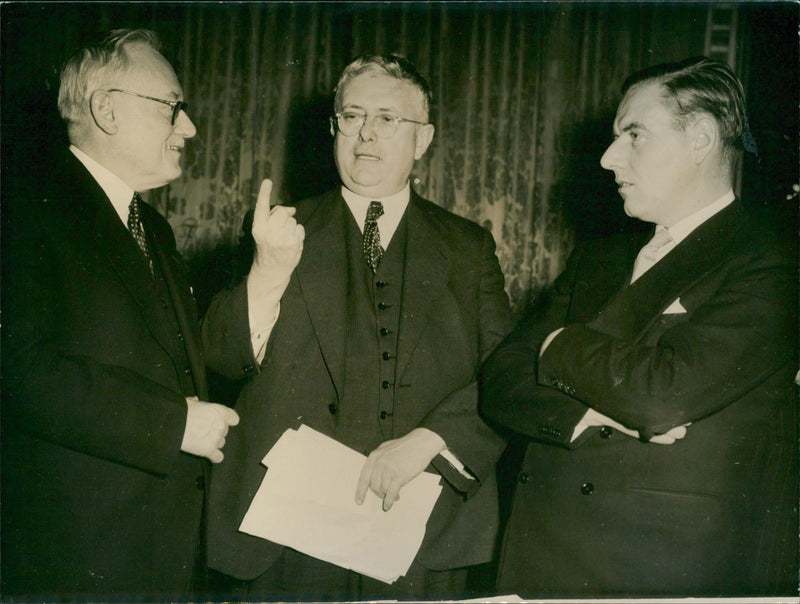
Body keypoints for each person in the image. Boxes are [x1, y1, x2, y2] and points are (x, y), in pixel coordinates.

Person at [479, 56, 799, 598]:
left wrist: (556, 345)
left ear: (700, 137)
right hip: (539, 558)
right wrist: (586, 412)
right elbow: (500, 379)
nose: (608, 158)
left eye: (634, 134)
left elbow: (662, 396)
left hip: (660, 570)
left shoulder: (771, 260)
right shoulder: (599, 258)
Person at [202, 53, 512, 601]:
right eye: (352, 115)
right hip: (285, 539)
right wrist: (267, 272)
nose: (367, 132)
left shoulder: (468, 248)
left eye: (389, 119)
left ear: (423, 139)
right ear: (334, 128)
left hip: (421, 534)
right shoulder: (278, 230)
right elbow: (220, 360)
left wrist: (433, 442)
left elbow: (509, 377)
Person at [1, 29, 240, 599]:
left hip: (159, 555)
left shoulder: (150, 227)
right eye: (172, 107)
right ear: (106, 109)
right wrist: (173, 424)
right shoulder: (22, 207)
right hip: (70, 561)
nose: (189, 127)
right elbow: (16, 371)